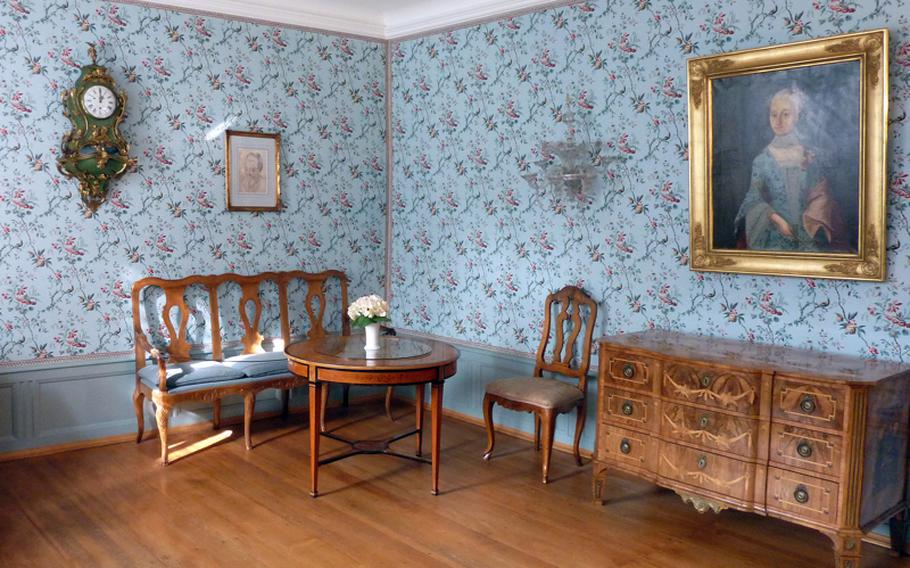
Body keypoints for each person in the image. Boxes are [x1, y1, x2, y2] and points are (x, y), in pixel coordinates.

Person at [734, 87, 846, 251]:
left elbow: (821, 194)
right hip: (774, 232)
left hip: (808, 231)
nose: (778, 121)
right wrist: (778, 221)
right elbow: (753, 198)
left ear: (798, 117)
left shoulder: (809, 156)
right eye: (773, 114)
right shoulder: (762, 160)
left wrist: (810, 223)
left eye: (785, 114)